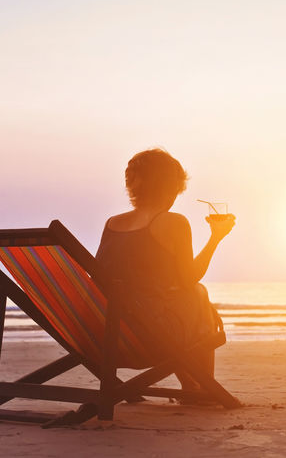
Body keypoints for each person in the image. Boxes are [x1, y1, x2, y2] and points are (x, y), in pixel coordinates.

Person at [95, 148, 235, 394]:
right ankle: (202, 388)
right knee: (197, 292)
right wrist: (216, 237)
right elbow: (189, 277)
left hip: (104, 339)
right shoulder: (173, 222)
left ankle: (191, 383)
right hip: (150, 340)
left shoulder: (112, 224)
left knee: (179, 298)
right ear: (171, 186)